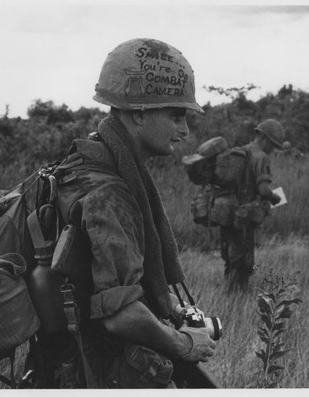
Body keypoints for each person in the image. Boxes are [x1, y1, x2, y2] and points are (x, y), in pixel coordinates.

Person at [44, 38, 217, 388]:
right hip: (98, 369)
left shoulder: (83, 164)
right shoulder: (111, 194)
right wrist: (184, 344)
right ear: (137, 113)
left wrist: (167, 305)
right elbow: (120, 315)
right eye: (176, 115)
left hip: (65, 362)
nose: (184, 131)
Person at [219, 119, 284, 290]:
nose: (273, 150)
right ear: (266, 139)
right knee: (243, 259)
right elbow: (263, 190)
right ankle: (237, 296)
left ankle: (229, 290)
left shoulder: (241, 151)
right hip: (244, 215)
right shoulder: (261, 157)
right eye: (274, 146)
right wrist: (275, 198)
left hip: (226, 211)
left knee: (231, 255)